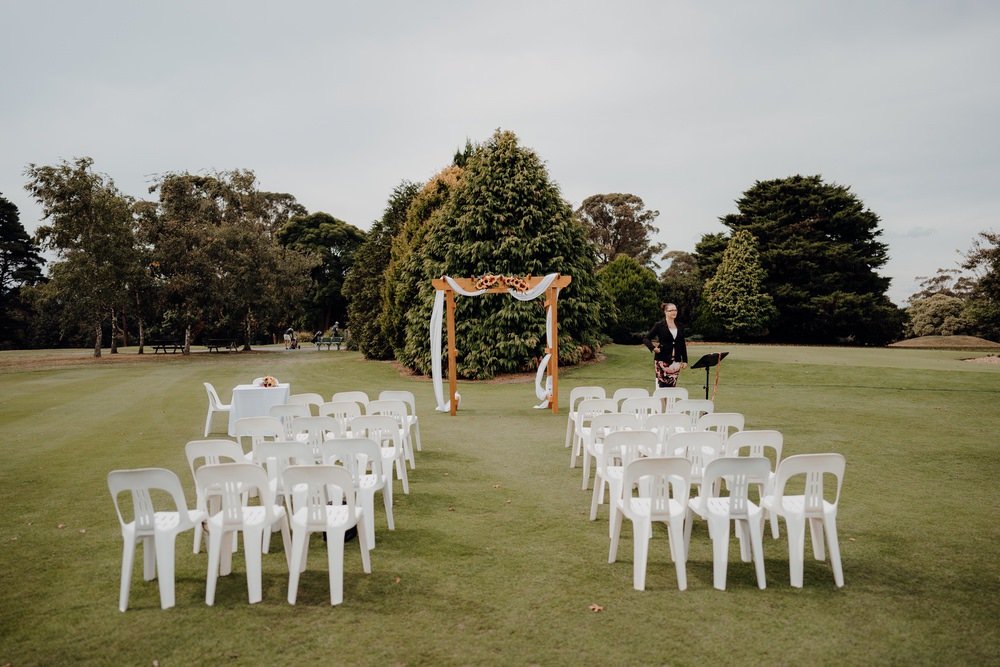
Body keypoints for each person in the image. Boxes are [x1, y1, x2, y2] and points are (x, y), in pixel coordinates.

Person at [642, 302, 688, 388]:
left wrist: (685, 360)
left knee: (672, 387)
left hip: (676, 362)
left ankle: (669, 402)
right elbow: (646, 339)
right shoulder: (659, 325)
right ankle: (662, 402)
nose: (674, 312)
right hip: (662, 360)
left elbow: (682, 343)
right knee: (662, 387)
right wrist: (653, 348)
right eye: (671, 310)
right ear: (665, 312)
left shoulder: (680, 326)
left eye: (675, 310)